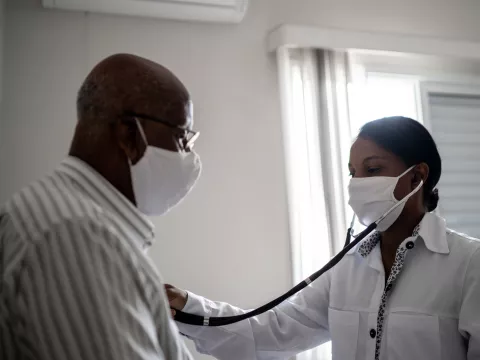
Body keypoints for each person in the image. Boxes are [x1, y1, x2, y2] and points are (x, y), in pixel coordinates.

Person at [167, 116, 480, 360]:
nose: (357, 183)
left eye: (372, 170)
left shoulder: (469, 265)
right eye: (352, 172)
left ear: (416, 176)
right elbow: (273, 331)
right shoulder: (347, 267)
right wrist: (185, 306)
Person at [0, 54, 201, 360]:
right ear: (129, 136)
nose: (189, 156)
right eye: (181, 138)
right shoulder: (74, 234)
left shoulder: (81, 222)